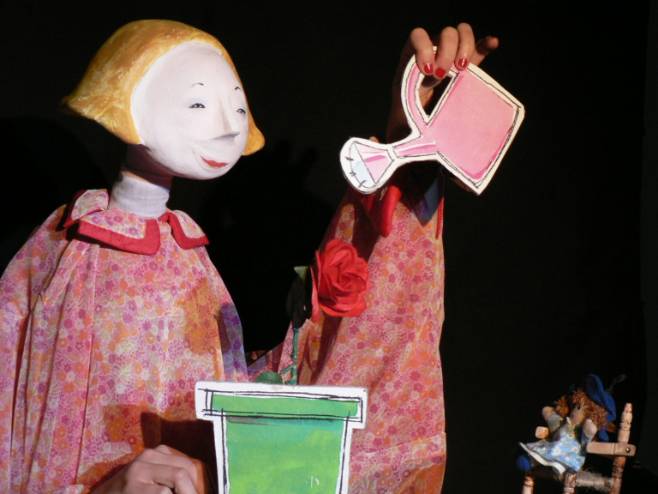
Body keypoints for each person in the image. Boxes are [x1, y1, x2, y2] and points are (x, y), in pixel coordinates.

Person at [0, 18, 497, 493]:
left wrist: (407, 148)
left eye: (237, 108)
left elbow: (255, 395)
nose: (224, 126)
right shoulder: (67, 253)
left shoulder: (190, 261)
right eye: (198, 104)